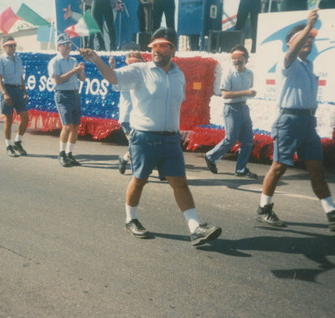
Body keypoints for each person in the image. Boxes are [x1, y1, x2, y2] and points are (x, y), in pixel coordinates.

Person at [79, 28, 223, 246]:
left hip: (170, 139)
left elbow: (175, 105)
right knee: (139, 179)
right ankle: (131, 219)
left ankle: (195, 229)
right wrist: (96, 59)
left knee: (180, 183)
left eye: (162, 46)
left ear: (173, 49)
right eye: (154, 46)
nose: (156, 50)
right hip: (144, 137)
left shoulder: (178, 75)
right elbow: (113, 77)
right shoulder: (140, 70)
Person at [257, 9, 335, 231]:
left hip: (307, 123)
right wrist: (307, 26)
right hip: (288, 121)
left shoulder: (309, 65)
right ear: (289, 43)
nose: (308, 41)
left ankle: (332, 214)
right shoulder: (286, 63)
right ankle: (264, 210)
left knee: (317, 169)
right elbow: (290, 55)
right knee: (279, 167)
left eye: (310, 38)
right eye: (302, 38)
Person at [205, 44, 257, 178]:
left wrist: (247, 94)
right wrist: (246, 92)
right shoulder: (228, 73)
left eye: (239, 57)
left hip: (244, 108)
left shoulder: (249, 74)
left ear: (246, 59)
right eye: (234, 58)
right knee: (231, 139)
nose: (236, 60)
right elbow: (225, 95)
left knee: (248, 140)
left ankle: (241, 169)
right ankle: (211, 156)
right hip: (231, 109)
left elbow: (247, 92)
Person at [48, 34, 86, 167]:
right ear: (59, 47)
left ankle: (70, 154)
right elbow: (57, 80)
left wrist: (80, 71)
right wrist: (73, 71)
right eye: (65, 44)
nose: (68, 47)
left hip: (75, 95)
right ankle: (62, 153)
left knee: (75, 127)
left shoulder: (73, 60)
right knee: (67, 126)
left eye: (69, 44)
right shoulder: (55, 62)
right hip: (63, 95)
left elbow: (82, 79)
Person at [108, 52, 144, 175]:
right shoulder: (123, 74)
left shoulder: (145, 75)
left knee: (139, 144)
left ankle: (124, 159)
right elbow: (115, 85)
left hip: (142, 117)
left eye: (137, 62)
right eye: (131, 62)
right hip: (127, 117)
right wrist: (112, 67)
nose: (134, 65)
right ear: (127, 63)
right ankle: (137, 172)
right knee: (136, 144)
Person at [0, 36, 30, 157]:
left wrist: (24, 91)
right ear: (4, 46)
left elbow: (21, 77)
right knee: (9, 120)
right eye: (10, 45)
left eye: (14, 45)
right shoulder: (1, 59)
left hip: (18, 90)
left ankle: (18, 141)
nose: (13, 48)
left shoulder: (18, 59)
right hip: (7, 88)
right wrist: (5, 93)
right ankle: (8, 145)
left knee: (25, 118)